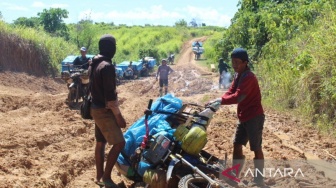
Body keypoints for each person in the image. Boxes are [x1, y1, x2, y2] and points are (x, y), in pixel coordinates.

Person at [208, 48, 265, 186]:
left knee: (256, 148)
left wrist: (221, 101)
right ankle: (235, 175)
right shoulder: (238, 75)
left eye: (237, 62)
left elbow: (239, 96)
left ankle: (259, 179)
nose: (234, 65)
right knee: (237, 144)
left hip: (254, 117)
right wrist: (219, 99)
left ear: (245, 63)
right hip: (243, 116)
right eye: (233, 62)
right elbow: (231, 91)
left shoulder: (249, 77)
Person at [89, 34, 126, 188]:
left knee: (100, 142)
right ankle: (106, 178)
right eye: (114, 46)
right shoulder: (107, 66)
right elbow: (110, 97)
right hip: (104, 111)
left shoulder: (93, 64)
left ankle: (99, 176)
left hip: (94, 109)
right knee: (119, 144)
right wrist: (119, 117)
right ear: (111, 48)